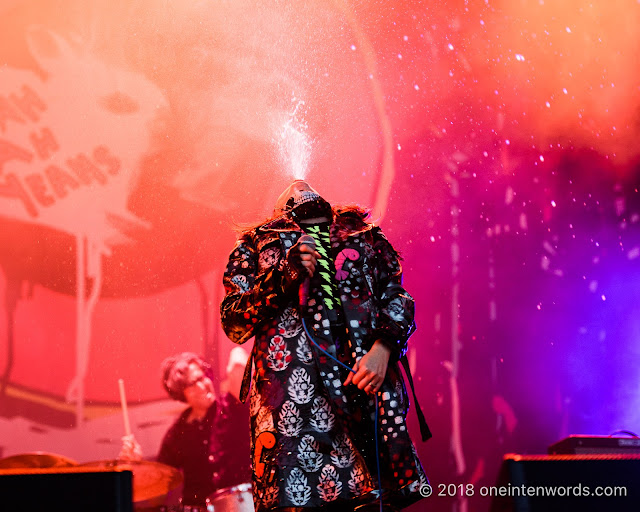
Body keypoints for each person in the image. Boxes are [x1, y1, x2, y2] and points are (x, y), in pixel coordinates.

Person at [220, 180, 430, 512]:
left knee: (371, 500)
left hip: (360, 406)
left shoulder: (363, 237)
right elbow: (234, 321)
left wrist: (383, 349)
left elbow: (398, 298)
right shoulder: (254, 247)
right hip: (290, 420)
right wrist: (285, 274)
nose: (299, 187)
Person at [120, 349, 252, 510]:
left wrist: (235, 350)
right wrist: (137, 467)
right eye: (193, 383)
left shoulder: (231, 407)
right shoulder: (177, 434)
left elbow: (239, 363)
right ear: (182, 393)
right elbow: (158, 496)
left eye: (203, 377)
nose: (203, 385)